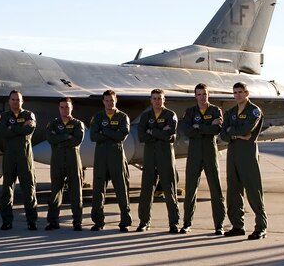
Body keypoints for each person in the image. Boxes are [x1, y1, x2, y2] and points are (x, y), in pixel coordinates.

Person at [220, 82, 267, 240]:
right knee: (233, 191)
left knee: (253, 190)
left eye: (241, 92)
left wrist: (233, 132)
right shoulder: (230, 112)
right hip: (233, 153)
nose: (238, 95)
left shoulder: (254, 111)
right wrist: (236, 134)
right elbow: (223, 135)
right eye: (235, 92)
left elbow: (246, 131)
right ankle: (237, 226)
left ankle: (261, 227)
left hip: (247, 154)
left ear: (247, 93)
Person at [179, 83, 226, 235]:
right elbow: (188, 131)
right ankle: (187, 224)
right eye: (198, 94)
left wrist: (198, 126)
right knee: (191, 189)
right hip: (194, 153)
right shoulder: (190, 111)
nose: (202, 97)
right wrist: (206, 126)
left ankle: (219, 225)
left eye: (204, 94)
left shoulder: (215, 110)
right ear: (195, 96)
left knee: (216, 188)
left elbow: (217, 129)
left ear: (208, 95)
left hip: (209, 151)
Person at [136, 89, 181, 233]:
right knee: (146, 190)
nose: (157, 101)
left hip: (165, 155)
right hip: (149, 157)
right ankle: (144, 222)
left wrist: (152, 131)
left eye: (159, 98)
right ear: (151, 100)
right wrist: (161, 132)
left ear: (164, 99)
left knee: (169, 190)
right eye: (154, 98)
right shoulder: (146, 116)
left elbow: (170, 135)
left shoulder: (170, 115)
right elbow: (142, 136)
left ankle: (173, 223)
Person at [89, 89, 133, 232]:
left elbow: (121, 136)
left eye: (112, 100)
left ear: (116, 101)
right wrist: (111, 133)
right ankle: (98, 222)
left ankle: (125, 221)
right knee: (98, 190)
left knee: (121, 189)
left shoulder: (123, 117)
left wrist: (104, 131)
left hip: (117, 156)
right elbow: (93, 136)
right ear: (103, 102)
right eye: (107, 101)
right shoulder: (98, 117)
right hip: (101, 156)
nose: (109, 103)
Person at [0, 90, 39, 231]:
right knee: (7, 190)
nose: (15, 102)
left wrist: (12, 128)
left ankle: (31, 221)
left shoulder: (29, 115)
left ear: (22, 101)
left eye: (18, 99)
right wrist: (20, 128)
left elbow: (29, 130)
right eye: (13, 99)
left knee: (29, 189)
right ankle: (6, 221)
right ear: (9, 101)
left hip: (25, 157)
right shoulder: (3, 116)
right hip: (9, 157)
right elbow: (3, 132)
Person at [45, 97, 85, 231]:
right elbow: (51, 139)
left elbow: (77, 140)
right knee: (55, 191)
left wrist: (60, 139)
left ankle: (77, 221)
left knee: (76, 192)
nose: (64, 109)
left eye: (67, 107)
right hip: (57, 161)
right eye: (62, 107)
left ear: (72, 107)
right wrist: (67, 136)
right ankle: (53, 221)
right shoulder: (53, 124)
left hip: (73, 161)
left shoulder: (78, 124)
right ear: (59, 108)